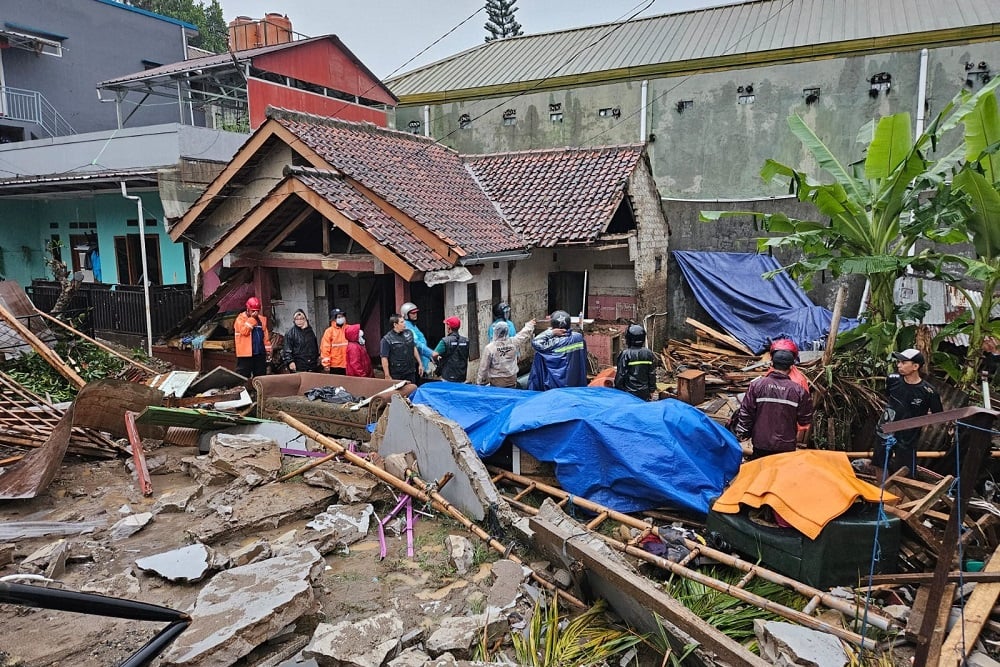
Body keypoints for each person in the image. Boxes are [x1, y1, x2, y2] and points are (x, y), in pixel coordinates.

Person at [874, 348, 943, 476]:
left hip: (908, 435)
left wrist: (918, 418)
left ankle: (899, 495)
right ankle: (879, 492)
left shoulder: (929, 391)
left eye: (904, 362)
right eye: (899, 362)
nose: (899, 365)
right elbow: (889, 397)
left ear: (915, 366)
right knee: (879, 462)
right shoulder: (892, 379)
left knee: (904, 470)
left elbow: (937, 415)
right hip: (886, 428)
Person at [733, 349, 813, 459]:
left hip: (761, 442)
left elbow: (746, 412)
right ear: (791, 367)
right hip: (786, 445)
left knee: (761, 472)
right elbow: (805, 420)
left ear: (771, 364)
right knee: (781, 474)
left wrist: (743, 434)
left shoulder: (756, 386)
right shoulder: (799, 391)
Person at [528, 310, 588, 391]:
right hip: (574, 383)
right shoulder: (578, 338)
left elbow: (536, 342)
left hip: (555, 385)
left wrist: (551, 332)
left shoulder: (554, 343)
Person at [478, 319, 536, 387]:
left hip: (497, 381)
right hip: (512, 379)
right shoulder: (513, 342)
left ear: (495, 331)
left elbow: (483, 368)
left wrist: (480, 382)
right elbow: (524, 334)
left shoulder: (490, 348)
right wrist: (530, 325)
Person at [614, 324, 657, 400]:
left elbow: (621, 375)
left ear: (629, 339)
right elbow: (652, 374)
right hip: (644, 393)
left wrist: (618, 390)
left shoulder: (625, 354)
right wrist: (652, 390)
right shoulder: (649, 353)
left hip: (628, 393)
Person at [234, 296, 270, 379]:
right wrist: (252, 319)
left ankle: (258, 392)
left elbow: (265, 337)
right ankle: (242, 392)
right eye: (253, 311)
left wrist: (268, 350)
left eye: (257, 311)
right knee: (242, 376)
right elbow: (244, 332)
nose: (256, 313)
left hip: (259, 353)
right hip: (245, 354)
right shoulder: (240, 319)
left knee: (261, 377)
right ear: (248, 309)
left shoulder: (262, 320)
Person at [380, 314, 422, 383]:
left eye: (404, 321)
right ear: (395, 325)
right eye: (402, 322)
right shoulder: (386, 339)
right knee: (398, 393)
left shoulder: (409, 333)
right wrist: (387, 375)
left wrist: (420, 363)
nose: (404, 324)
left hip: (410, 371)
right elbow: (384, 358)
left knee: (412, 390)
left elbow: (413, 348)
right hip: (397, 373)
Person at [400, 302, 434, 378]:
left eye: (416, 313)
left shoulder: (413, 325)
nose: (415, 314)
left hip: (421, 358)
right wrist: (431, 353)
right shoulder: (408, 327)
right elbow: (417, 343)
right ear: (406, 314)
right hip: (415, 360)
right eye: (412, 313)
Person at [432, 317, 470, 382]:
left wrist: (437, 361)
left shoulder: (445, 341)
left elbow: (434, 354)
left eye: (447, 325)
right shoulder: (466, 341)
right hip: (461, 376)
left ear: (449, 327)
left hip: (447, 376)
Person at [320, 307, 349, 375]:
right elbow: (325, 348)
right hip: (335, 365)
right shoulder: (329, 331)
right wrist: (326, 364)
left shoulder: (349, 329)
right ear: (333, 319)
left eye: (342, 316)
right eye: (338, 317)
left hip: (348, 364)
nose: (341, 318)